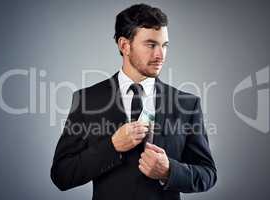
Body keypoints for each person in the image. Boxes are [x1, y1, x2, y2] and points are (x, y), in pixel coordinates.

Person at [50, 3, 217, 200]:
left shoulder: (188, 104)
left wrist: (169, 171)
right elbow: (61, 175)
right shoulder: (87, 100)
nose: (160, 55)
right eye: (151, 45)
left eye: (164, 45)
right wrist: (111, 146)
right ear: (124, 45)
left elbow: (208, 174)